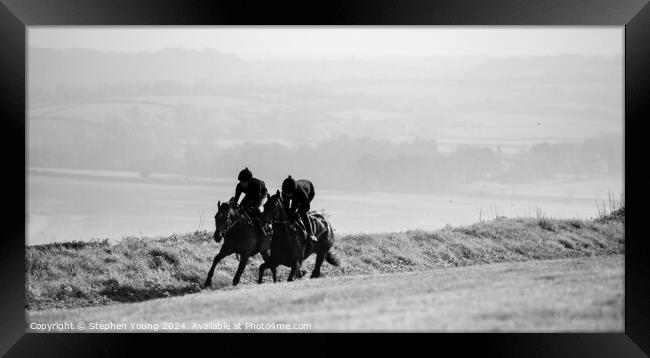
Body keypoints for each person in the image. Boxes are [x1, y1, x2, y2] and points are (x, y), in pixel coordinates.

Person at [233, 167, 269, 237]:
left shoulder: (256, 185)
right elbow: (236, 199)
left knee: (257, 209)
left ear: (249, 181)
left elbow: (256, 201)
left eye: (244, 182)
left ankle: (264, 229)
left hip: (261, 195)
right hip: (250, 195)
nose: (242, 183)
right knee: (241, 208)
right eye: (241, 181)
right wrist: (235, 206)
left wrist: (247, 207)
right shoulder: (239, 186)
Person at [281, 175, 317, 243]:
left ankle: (311, 234)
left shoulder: (300, 192)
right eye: (287, 194)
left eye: (290, 193)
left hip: (309, 192)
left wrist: (298, 214)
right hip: (297, 195)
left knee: (303, 213)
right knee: (290, 212)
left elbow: (306, 207)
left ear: (293, 191)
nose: (288, 195)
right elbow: (286, 206)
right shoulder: (284, 193)